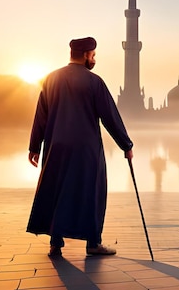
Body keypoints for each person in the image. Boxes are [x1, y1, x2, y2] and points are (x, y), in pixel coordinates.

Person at [26, 36, 134, 257]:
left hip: (56, 147)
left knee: (57, 190)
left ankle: (56, 244)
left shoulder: (50, 79)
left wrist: (34, 146)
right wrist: (126, 145)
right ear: (86, 55)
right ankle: (93, 243)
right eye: (93, 55)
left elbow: (41, 116)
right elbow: (110, 117)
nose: (94, 59)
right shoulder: (94, 82)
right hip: (86, 149)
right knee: (92, 192)